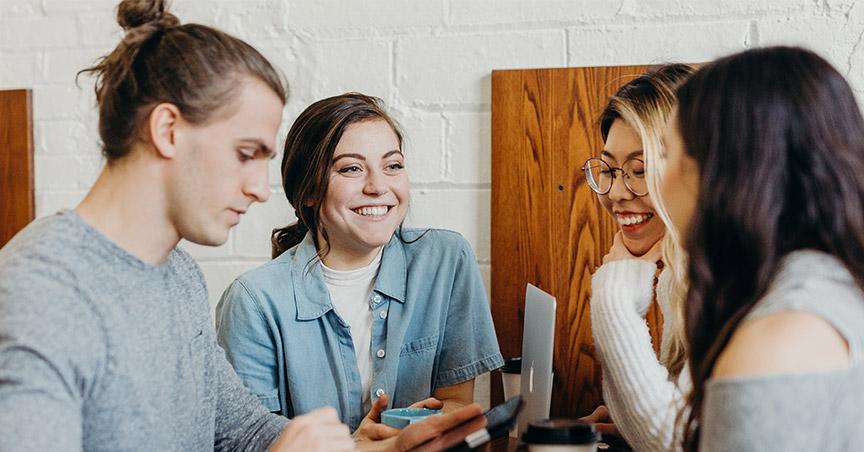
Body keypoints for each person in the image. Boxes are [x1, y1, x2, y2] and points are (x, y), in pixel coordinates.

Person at [0, 1, 484, 450]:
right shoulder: (40, 292)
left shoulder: (179, 275)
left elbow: (244, 431)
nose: (259, 188)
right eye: (245, 154)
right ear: (168, 131)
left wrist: (365, 448)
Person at [215, 92, 504, 442]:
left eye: (393, 165)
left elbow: (456, 402)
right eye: (351, 168)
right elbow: (251, 441)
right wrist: (357, 446)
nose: (378, 186)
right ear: (308, 191)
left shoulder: (445, 260)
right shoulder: (254, 301)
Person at [662, 47, 864, 451]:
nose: (658, 180)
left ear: (719, 172)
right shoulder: (837, 289)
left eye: (667, 153)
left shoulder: (776, 342)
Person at [579, 64, 694, 451]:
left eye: (639, 170)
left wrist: (613, 296)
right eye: (610, 169)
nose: (615, 193)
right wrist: (631, 419)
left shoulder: (736, 280)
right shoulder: (680, 276)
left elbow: (676, 444)